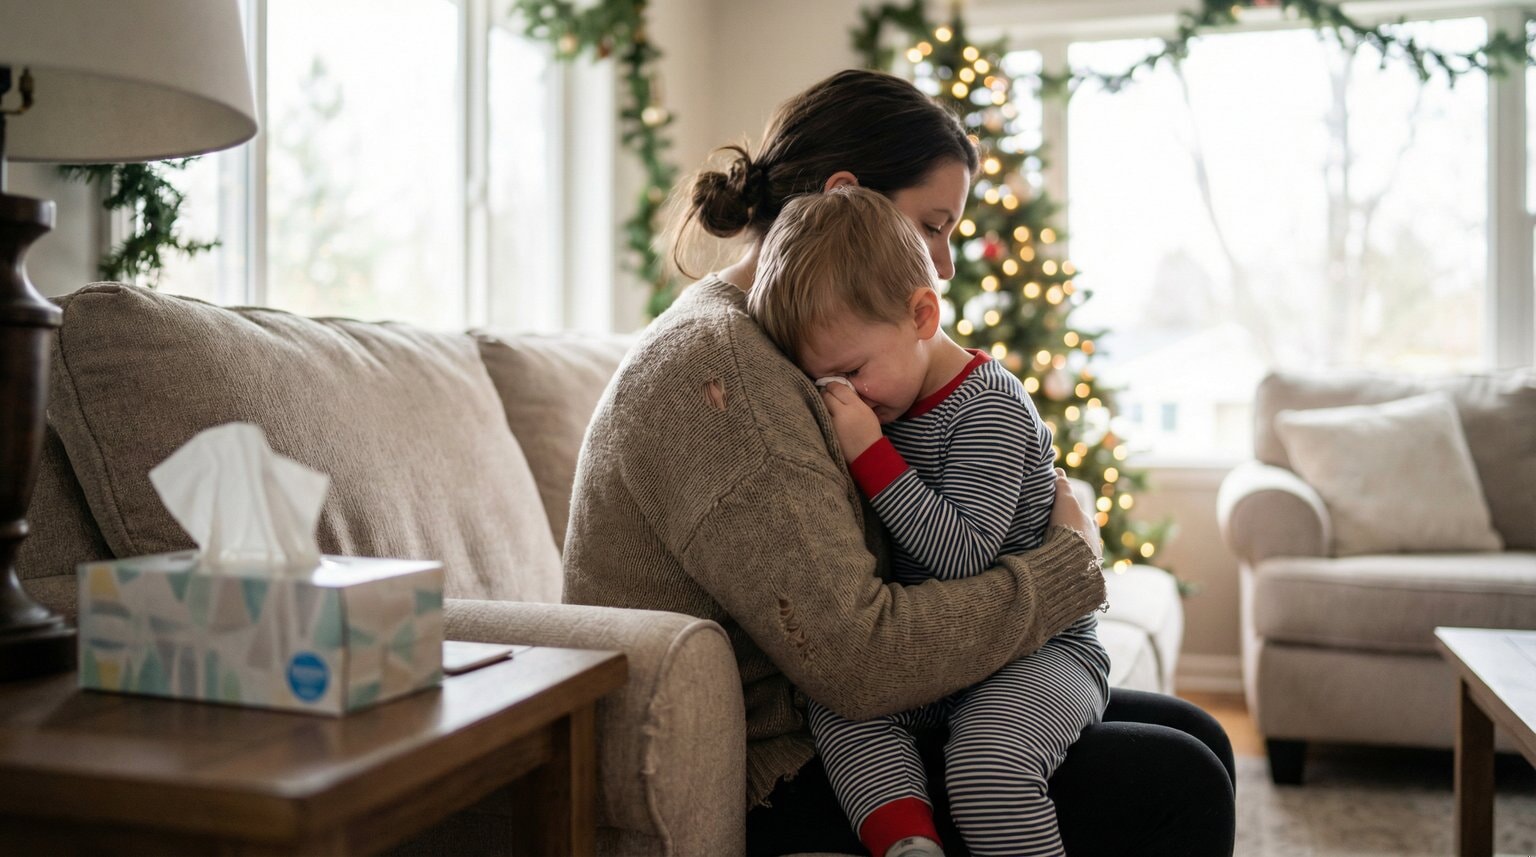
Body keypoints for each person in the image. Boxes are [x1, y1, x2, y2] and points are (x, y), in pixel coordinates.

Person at [563, 68, 1236, 857]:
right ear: (849, 196)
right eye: (934, 225)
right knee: (1177, 780)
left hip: (841, 706)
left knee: (1195, 731)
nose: (945, 265)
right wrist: (1065, 567)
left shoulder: (775, 343)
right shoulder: (724, 373)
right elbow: (860, 660)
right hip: (780, 757)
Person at [746, 186, 1110, 857]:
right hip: (946, 651)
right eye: (825, 385)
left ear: (922, 314)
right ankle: (909, 844)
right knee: (845, 706)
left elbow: (964, 557)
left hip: (1040, 649)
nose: (845, 400)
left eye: (853, 372)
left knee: (987, 762)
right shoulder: (889, 399)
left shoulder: (988, 407)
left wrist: (870, 453)